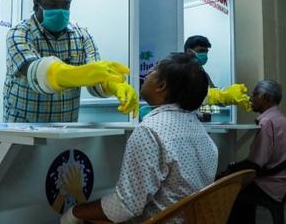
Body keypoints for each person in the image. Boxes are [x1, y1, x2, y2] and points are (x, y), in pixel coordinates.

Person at [61, 53, 219, 223]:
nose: (146, 74)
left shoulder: (150, 131)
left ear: (161, 85)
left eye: (153, 70)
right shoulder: (202, 133)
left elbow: (125, 207)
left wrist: (74, 212)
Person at [3, 0, 138, 122]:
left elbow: (95, 81)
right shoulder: (19, 33)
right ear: (36, 6)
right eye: (53, 5)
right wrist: (80, 74)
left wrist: (114, 85)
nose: (60, 11)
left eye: (65, 5)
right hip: (22, 131)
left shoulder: (82, 34)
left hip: (66, 131)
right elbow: (34, 72)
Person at [226, 80, 286, 224]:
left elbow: (255, 164)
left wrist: (230, 169)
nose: (251, 98)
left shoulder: (267, 123)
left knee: (227, 187)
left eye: (255, 94)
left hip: (271, 184)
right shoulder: (284, 119)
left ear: (266, 97)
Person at [184, 35, 251, 112]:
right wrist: (223, 95)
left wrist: (229, 95)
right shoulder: (178, 72)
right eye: (201, 51)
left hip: (198, 118)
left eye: (206, 52)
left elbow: (212, 94)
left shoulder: (202, 73)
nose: (205, 55)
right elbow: (187, 97)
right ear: (189, 52)